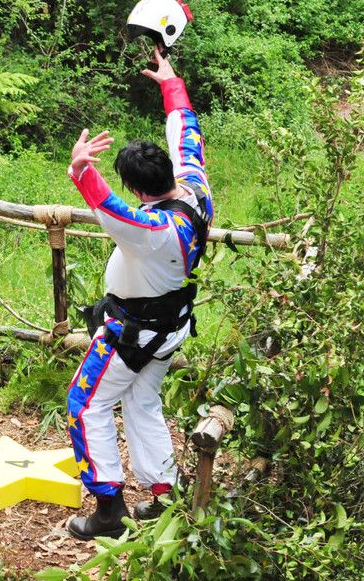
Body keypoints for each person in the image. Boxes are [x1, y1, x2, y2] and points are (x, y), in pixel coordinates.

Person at [65, 45, 213, 540]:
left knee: (85, 404)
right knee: (142, 403)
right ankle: (165, 494)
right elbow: (187, 135)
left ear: (136, 188)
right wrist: (172, 85)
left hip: (133, 334)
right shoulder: (196, 192)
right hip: (170, 329)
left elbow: (110, 208)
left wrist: (81, 169)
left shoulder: (150, 230)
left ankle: (109, 511)